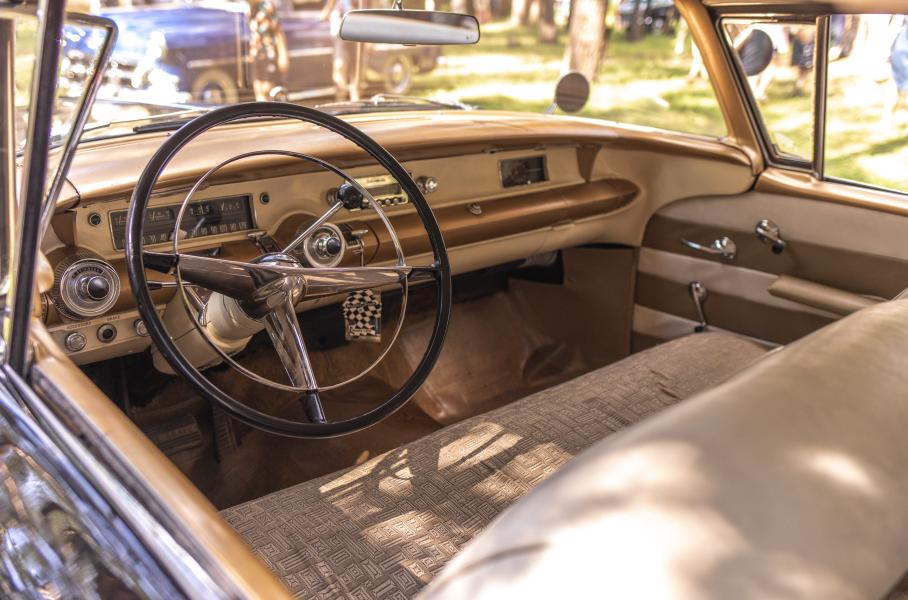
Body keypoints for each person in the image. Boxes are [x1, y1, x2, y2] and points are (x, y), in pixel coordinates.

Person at [247, 0, 289, 101]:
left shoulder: (267, 7)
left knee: (267, 89)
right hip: (256, 55)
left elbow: (278, 32)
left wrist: (283, 55)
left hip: (268, 54)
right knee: (258, 90)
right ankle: (261, 110)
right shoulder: (250, 9)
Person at [321, 0, 359, 101]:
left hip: (357, 31)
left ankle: (355, 99)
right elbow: (325, 14)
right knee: (340, 66)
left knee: (356, 68)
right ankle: (340, 99)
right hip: (340, 32)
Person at [882, 17, 908, 131]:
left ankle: (886, 122)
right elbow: (896, 23)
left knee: (895, 87)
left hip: (900, 49)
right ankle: (886, 122)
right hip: (901, 51)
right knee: (895, 87)